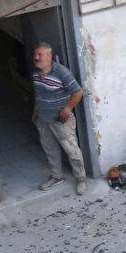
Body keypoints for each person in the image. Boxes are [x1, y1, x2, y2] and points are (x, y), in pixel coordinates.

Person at [31, 42, 88, 195]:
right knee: (50, 149)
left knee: (71, 150)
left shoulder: (62, 73)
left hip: (61, 121)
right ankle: (56, 176)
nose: (36, 58)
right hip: (44, 119)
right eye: (35, 55)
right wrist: (35, 114)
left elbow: (78, 92)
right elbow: (39, 95)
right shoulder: (36, 74)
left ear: (49, 57)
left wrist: (67, 109)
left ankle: (81, 179)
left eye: (40, 55)